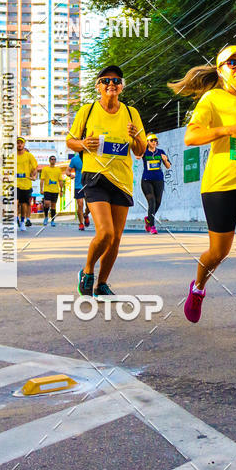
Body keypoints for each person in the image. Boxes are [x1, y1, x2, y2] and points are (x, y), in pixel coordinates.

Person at [169, 45, 236, 343]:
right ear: (220, 70)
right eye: (233, 63)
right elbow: (191, 136)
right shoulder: (212, 99)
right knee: (218, 252)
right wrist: (226, 129)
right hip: (219, 186)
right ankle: (198, 287)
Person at [67, 64, 147, 298]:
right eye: (106, 80)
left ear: (122, 86)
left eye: (116, 80)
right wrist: (83, 145)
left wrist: (135, 137)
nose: (111, 84)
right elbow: (70, 141)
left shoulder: (131, 113)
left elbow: (140, 150)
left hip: (122, 180)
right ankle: (88, 270)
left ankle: (102, 283)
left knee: (116, 238)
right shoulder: (88, 110)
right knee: (105, 233)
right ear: (98, 86)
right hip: (95, 178)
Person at [140, 134, 171, 234]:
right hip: (146, 180)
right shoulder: (144, 152)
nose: (154, 142)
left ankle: (149, 218)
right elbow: (137, 156)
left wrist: (165, 160)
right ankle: (152, 226)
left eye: (155, 140)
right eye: (151, 140)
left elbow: (168, 166)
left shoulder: (161, 152)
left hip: (159, 180)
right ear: (147, 142)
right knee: (152, 201)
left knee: (158, 202)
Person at [16, 137, 38, 231]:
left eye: (21, 143)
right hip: (14, 183)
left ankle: (22, 221)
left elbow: (35, 167)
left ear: (24, 144)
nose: (19, 144)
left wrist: (34, 174)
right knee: (15, 202)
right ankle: (15, 218)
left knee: (24, 204)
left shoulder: (29, 156)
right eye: (17, 143)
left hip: (26, 183)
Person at [40, 155, 65, 227]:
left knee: (53, 206)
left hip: (55, 190)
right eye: (51, 159)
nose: (53, 160)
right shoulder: (45, 169)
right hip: (47, 189)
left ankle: (53, 220)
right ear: (49, 160)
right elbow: (42, 180)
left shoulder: (58, 170)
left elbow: (60, 181)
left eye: (54, 159)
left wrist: (61, 190)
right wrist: (41, 189)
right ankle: (45, 217)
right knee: (47, 203)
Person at [68, 151, 90, 230]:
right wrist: (70, 175)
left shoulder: (90, 157)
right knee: (80, 204)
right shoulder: (74, 159)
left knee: (89, 207)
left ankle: (86, 215)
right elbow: (68, 171)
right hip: (78, 185)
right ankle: (81, 223)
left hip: (89, 185)